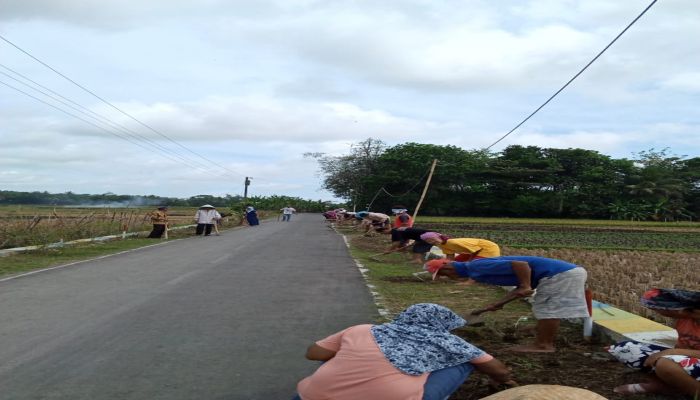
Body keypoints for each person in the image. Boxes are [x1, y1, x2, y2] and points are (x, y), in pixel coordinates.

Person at [293, 303, 514, 400]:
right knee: (466, 361)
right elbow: (500, 371)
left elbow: (314, 354)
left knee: (339, 353)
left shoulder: (364, 329)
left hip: (309, 397)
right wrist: (502, 381)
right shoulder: (453, 343)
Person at [426, 256, 589, 353]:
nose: (447, 277)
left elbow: (520, 265)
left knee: (549, 308)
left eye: (443, 274)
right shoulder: (474, 271)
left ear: (447, 266)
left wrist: (526, 285)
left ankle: (544, 345)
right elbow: (519, 287)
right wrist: (498, 304)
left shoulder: (476, 266)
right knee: (546, 307)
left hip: (560, 274)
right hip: (563, 273)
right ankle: (542, 334)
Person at [607, 288, 700, 397]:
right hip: (689, 358)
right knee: (627, 349)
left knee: (664, 364)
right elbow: (681, 345)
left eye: (661, 309)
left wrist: (669, 353)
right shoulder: (683, 320)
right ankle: (663, 385)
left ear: (684, 310)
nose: (659, 312)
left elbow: (675, 351)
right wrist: (671, 353)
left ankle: (696, 393)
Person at [420, 232, 501, 262]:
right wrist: (444, 264)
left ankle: (471, 281)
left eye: (432, 239)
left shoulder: (452, 242)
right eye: (428, 241)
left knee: (474, 264)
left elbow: (475, 251)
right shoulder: (442, 245)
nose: (431, 242)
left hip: (488, 248)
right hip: (473, 251)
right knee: (457, 262)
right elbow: (450, 257)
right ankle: (459, 275)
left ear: (438, 237)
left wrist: (470, 261)